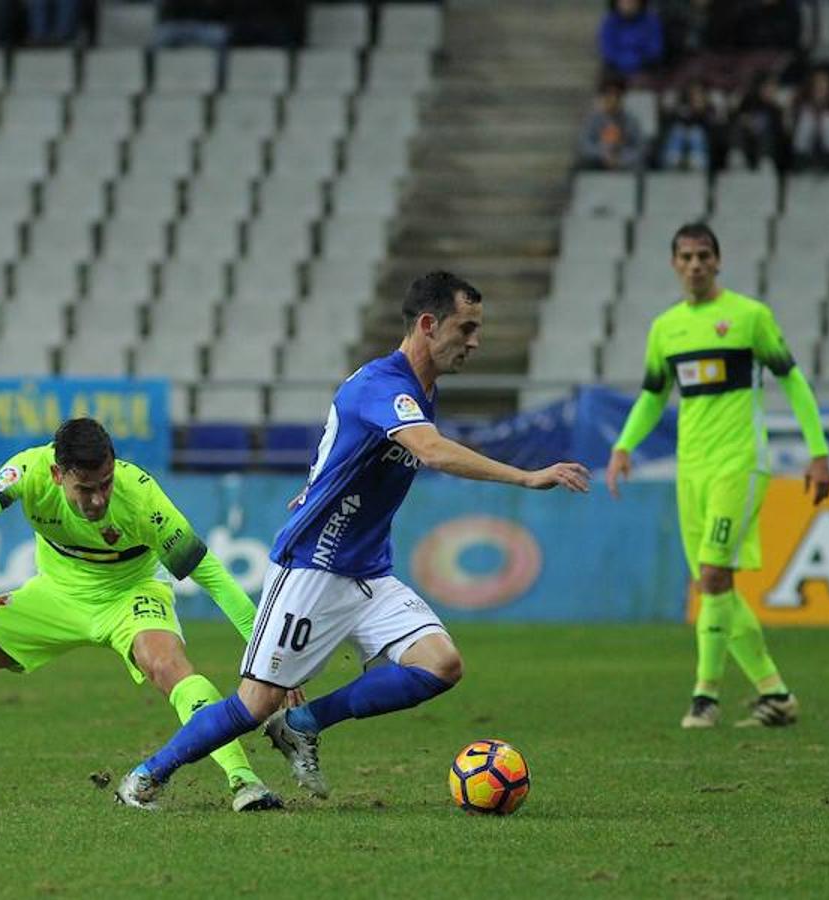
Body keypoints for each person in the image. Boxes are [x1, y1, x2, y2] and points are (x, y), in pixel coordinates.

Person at [114, 272, 591, 810]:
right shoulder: (381, 386)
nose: (475, 341)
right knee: (253, 702)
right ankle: (147, 776)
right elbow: (430, 452)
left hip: (367, 570)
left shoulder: (421, 390)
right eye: (467, 327)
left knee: (440, 664)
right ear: (429, 324)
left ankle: (303, 724)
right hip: (313, 566)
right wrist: (526, 476)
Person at [0, 417, 288, 813]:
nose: (99, 499)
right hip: (54, 596)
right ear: (59, 475)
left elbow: (210, 573)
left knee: (169, 667)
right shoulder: (29, 471)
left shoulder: (142, 497)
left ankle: (243, 781)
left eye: (105, 483)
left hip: (131, 593)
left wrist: (260, 645)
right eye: (86, 488)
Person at [606, 223, 829, 730]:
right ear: (673, 264)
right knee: (715, 586)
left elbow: (792, 382)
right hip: (693, 470)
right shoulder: (666, 328)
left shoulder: (750, 317)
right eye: (685, 256)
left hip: (741, 463)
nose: (695, 265)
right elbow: (652, 395)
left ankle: (704, 698)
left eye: (703, 255)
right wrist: (624, 445)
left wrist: (818, 452)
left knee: (711, 576)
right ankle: (776, 694)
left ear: (718, 260)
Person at [578, 76, 647, 170]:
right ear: (603, 98)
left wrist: (621, 159)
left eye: (616, 96)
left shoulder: (631, 120)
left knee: (640, 167)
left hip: (624, 162)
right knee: (582, 164)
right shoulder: (593, 119)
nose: (613, 100)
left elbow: (640, 148)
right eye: (609, 95)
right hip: (598, 161)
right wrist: (603, 154)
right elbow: (585, 145)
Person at [658, 80, 725, 171]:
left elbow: (711, 124)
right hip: (683, 134)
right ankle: (673, 160)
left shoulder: (708, 107)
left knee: (696, 133)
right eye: (693, 92)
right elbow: (674, 120)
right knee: (678, 131)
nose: (695, 94)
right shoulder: (683, 105)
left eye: (698, 92)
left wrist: (701, 111)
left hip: (701, 136)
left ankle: (697, 161)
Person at [731, 72, 789, 171]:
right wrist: (746, 121)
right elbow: (735, 118)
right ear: (760, 88)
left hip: (767, 150)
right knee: (740, 125)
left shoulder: (776, 110)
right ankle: (737, 153)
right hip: (747, 143)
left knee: (767, 129)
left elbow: (781, 133)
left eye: (773, 88)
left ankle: (765, 158)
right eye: (767, 87)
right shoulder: (748, 102)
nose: (770, 91)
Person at [599, 0, 665, 82]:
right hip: (616, 69)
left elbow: (655, 49)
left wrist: (639, 63)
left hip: (644, 68)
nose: (628, 4)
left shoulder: (651, 22)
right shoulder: (610, 22)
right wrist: (625, 62)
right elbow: (608, 50)